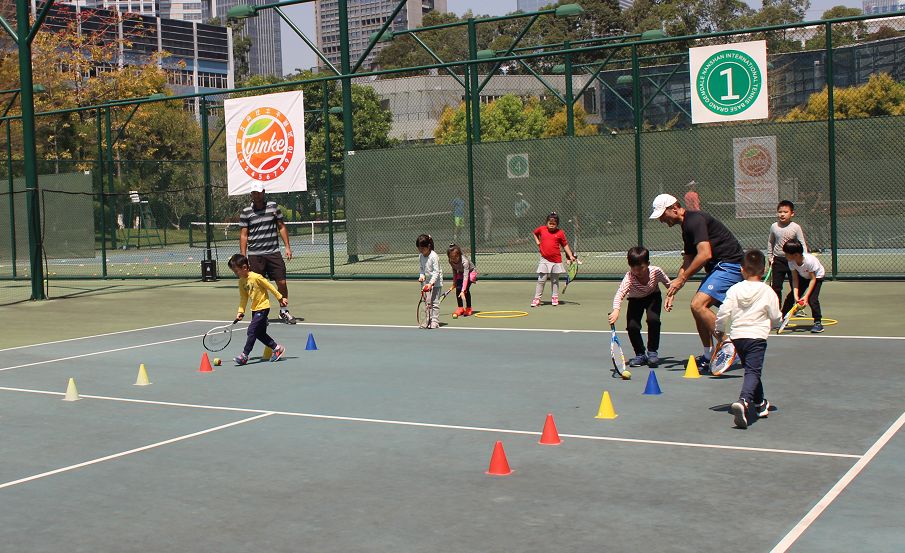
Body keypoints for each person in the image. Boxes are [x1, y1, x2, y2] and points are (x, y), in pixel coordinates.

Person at [650, 193, 745, 371]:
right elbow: (688, 261)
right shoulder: (686, 227)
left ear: (675, 208)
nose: (662, 220)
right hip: (719, 267)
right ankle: (708, 355)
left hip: (729, 265)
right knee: (697, 309)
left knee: (698, 305)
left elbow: (705, 254)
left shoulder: (695, 220)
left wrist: (682, 279)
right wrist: (673, 288)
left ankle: (728, 345)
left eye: (663, 215)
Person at [714, 249, 782, 429]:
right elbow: (775, 315)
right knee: (753, 372)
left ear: (742, 269)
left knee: (752, 370)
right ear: (763, 270)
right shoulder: (767, 291)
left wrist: (720, 331)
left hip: (738, 338)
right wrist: (777, 324)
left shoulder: (734, 289)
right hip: (757, 337)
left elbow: (723, 312)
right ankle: (743, 401)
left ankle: (760, 404)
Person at [239, 183, 298, 324]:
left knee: (282, 282)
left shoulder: (273, 207)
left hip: (273, 253)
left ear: (263, 192)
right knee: (257, 286)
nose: (256, 195)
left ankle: (284, 312)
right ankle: (260, 315)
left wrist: (287, 247)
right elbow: (243, 235)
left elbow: (282, 227)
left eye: (258, 192)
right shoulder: (246, 211)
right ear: (251, 194)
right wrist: (243, 256)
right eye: (254, 193)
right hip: (255, 255)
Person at [608, 246, 671, 368]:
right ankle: (640, 354)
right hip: (635, 300)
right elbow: (620, 293)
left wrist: (670, 296)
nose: (637, 272)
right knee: (632, 326)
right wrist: (616, 310)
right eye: (633, 268)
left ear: (648, 264)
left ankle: (652, 352)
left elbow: (669, 284)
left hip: (653, 297)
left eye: (641, 268)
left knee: (653, 320)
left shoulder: (656, 271)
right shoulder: (630, 277)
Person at [228, 254, 288, 366]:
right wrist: (240, 312)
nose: (236, 274)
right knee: (260, 333)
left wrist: (280, 297)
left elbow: (269, 286)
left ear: (244, 267)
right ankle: (277, 348)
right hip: (255, 309)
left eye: (236, 271)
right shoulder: (241, 282)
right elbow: (244, 298)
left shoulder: (256, 277)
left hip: (263, 307)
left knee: (251, 331)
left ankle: (244, 355)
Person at [767, 200, 809, 314]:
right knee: (776, 287)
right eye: (780, 212)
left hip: (792, 261)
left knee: (795, 286)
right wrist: (770, 256)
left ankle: (795, 308)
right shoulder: (774, 226)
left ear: (792, 213)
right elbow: (771, 242)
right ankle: (776, 311)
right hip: (778, 261)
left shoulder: (796, 227)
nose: (782, 214)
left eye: (785, 212)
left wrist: (803, 258)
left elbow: (802, 242)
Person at [531, 212, 577, 307]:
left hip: (556, 261)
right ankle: (537, 299)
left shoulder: (560, 233)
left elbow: (565, 245)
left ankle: (554, 297)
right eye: (550, 223)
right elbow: (534, 233)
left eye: (554, 224)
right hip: (544, 259)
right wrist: (538, 243)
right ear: (546, 222)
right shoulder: (541, 229)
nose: (551, 225)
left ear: (557, 224)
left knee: (555, 280)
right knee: (541, 280)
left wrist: (571, 256)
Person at [782, 239, 827, 333]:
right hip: (803, 276)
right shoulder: (791, 262)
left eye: (786, 254)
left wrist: (806, 297)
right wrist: (796, 296)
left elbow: (813, 279)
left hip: (817, 277)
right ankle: (782, 319)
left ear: (796, 255)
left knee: (812, 299)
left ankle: (818, 323)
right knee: (790, 298)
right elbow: (795, 279)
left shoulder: (810, 261)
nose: (785, 255)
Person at [417, 234, 443, 329]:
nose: (421, 251)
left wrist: (431, 283)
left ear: (428, 246)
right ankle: (428, 321)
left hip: (436, 283)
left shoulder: (434, 256)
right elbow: (421, 269)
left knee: (435, 303)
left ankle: (435, 322)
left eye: (422, 249)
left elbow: (436, 272)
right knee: (427, 303)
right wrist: (422, 276)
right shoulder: (420, 256)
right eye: (419, 249)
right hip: (426, 283)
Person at [447, 243, 477, 317]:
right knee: (458, 288)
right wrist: (454, 282)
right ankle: (460, 308)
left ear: (459, 255)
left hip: (470, 272)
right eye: (451, 258)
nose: (453, 259)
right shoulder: (451, 261)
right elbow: (454, 271)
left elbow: (466, 277)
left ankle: (469, 308)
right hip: (460, 272)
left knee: (465, 290)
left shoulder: (465, 262)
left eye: (455, 257)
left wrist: (463, 290)